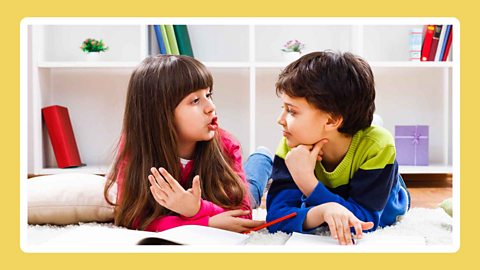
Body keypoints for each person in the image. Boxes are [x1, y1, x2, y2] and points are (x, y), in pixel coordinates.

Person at [104, 55, 267, 233]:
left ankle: (263, 157)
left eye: (208, 95)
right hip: (213, 208)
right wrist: (206, 223)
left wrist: (196, 209)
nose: (211, 106)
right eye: (195, 100)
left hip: (233, 185)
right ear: (159, 113)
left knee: (253, 191)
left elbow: (242, 216)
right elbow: (133, 218)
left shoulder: (226, 145)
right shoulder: (136, 148)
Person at [265, 51, 410, 245]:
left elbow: (365, 221)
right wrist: (323, 211)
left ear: (332, 119)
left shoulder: (378, 147)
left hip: (388, 199)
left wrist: (308, 182)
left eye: (291, 111)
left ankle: (368, 129)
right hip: (338, 163)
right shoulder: (292, 145)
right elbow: (276, 218)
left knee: (375, 140)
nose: (280, 120)